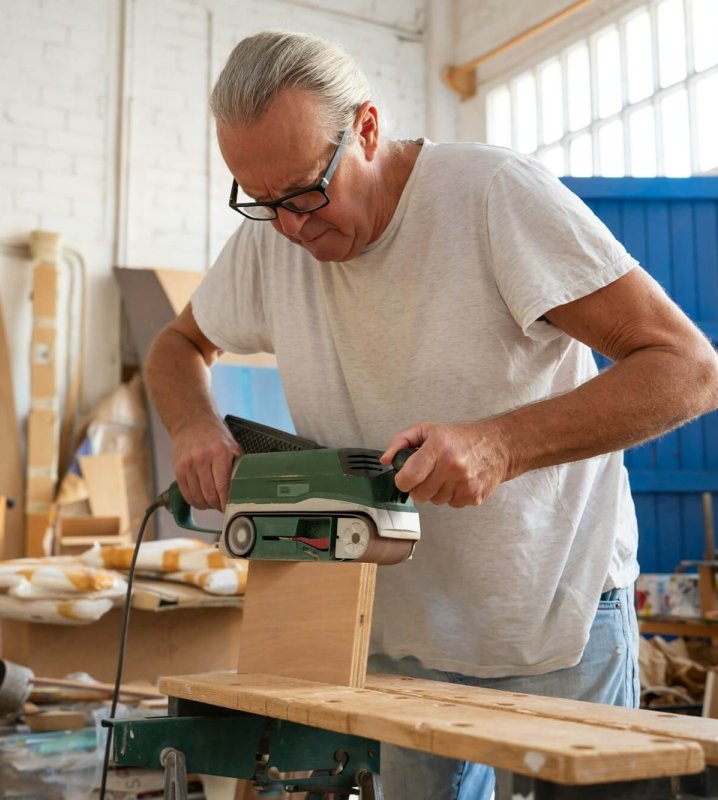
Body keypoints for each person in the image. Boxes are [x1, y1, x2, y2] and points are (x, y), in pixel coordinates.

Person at [144, 30, 718, 800]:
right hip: (395, 634)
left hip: (552, 618)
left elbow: (688, 368)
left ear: (369, 130)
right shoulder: (276, 237)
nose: (291, 228)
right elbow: (177, 345)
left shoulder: (492, 197)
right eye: (261, 201)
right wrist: (194, 426)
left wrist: (502, 446)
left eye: (307, 194)